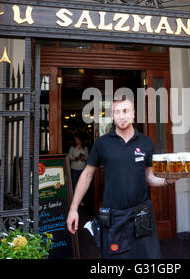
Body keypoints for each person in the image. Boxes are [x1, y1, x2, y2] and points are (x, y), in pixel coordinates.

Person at [66, 97, 177, 259]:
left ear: (133, 114)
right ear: (112, 116)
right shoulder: (102, 143)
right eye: (117, 112)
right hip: (114, 217)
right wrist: (74, 208)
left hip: (142, 215)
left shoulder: (146, 143)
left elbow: (149, 177)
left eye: (125, 111)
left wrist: (168, 180)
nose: (122, 116)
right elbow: (87, 175)